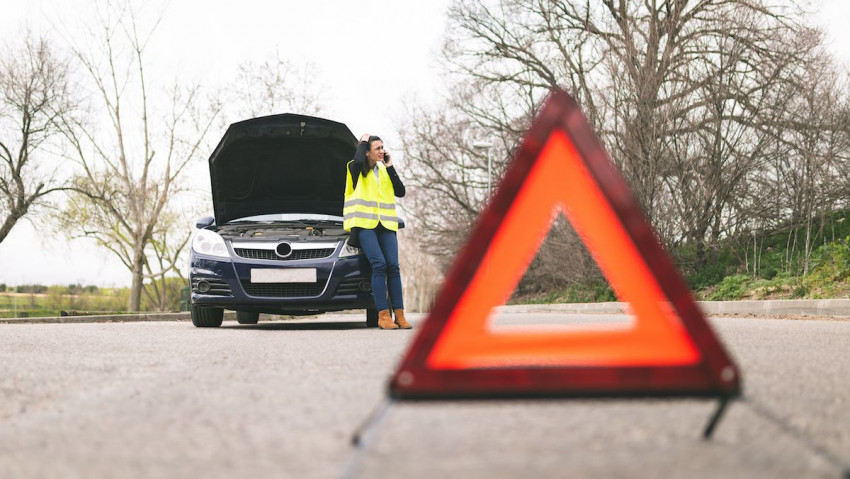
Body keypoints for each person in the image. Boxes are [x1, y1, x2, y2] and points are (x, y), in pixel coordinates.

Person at [343, 133, 412, 329]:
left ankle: (400, 315)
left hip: (387, 225)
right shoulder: (354, 168)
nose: (382, 151)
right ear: (366, 152)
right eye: (377, 148)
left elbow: (400, 191)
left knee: (393, 266)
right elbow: (357, 162)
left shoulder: (384, 170)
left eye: (383, 147)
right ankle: (383, 316)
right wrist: (363, 141)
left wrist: (390, 167)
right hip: (365, 225)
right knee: (379, 265)